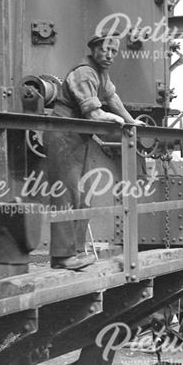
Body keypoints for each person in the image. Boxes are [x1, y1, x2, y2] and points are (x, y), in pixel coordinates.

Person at [44, 34, 144, 270]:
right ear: (94, 49)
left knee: (85, 192)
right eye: (105, 51)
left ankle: (76, 251)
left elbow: (111, 96)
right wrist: (117, 119)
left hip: (79, 136)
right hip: (63, 134)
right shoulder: (84, 72)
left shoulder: (101, 72)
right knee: (65, 194)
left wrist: (131, 121)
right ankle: (61, 256)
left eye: (114, 52)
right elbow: (95, 114)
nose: (109, 56)